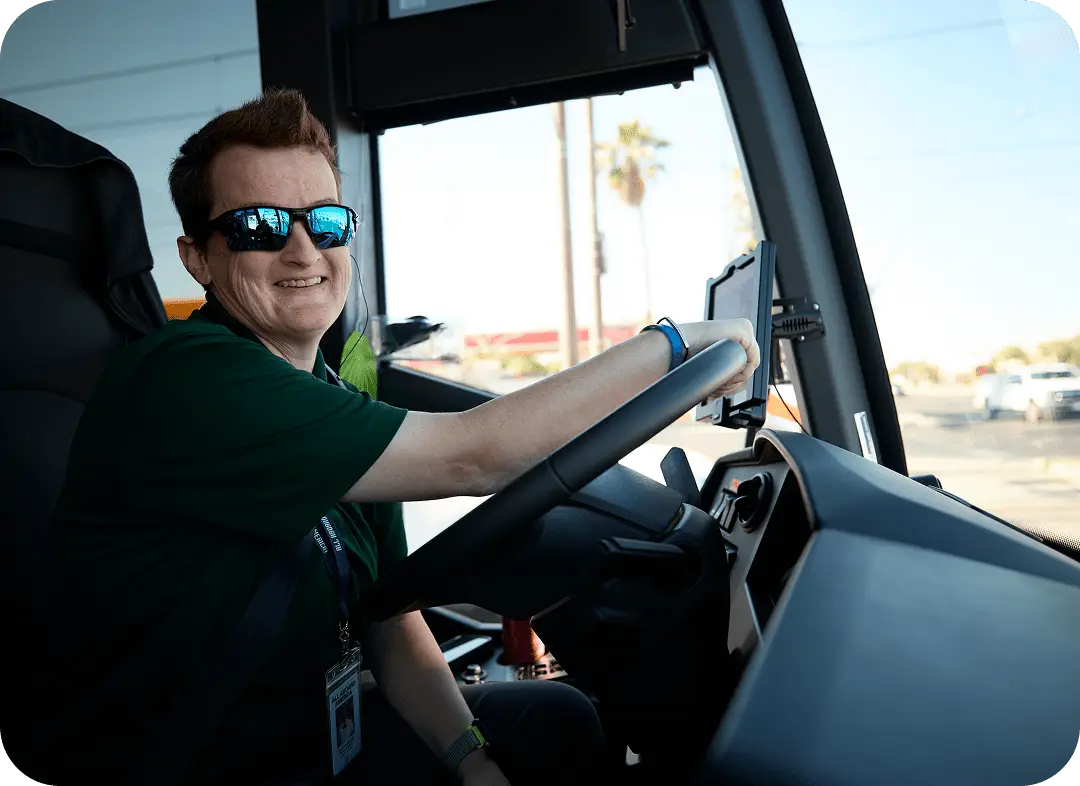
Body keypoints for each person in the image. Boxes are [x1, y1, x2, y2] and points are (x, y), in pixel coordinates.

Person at [40, 89, 759, 786]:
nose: (302, 250)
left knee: (552, 723)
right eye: (258, 227)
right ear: (198, 257)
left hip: (314, 738)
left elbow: (387, 613)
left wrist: (471, 761)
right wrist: (674, 345)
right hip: (205, 763)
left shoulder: (332, 400)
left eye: (325, 222)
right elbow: (476, 452)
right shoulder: (185, 377)